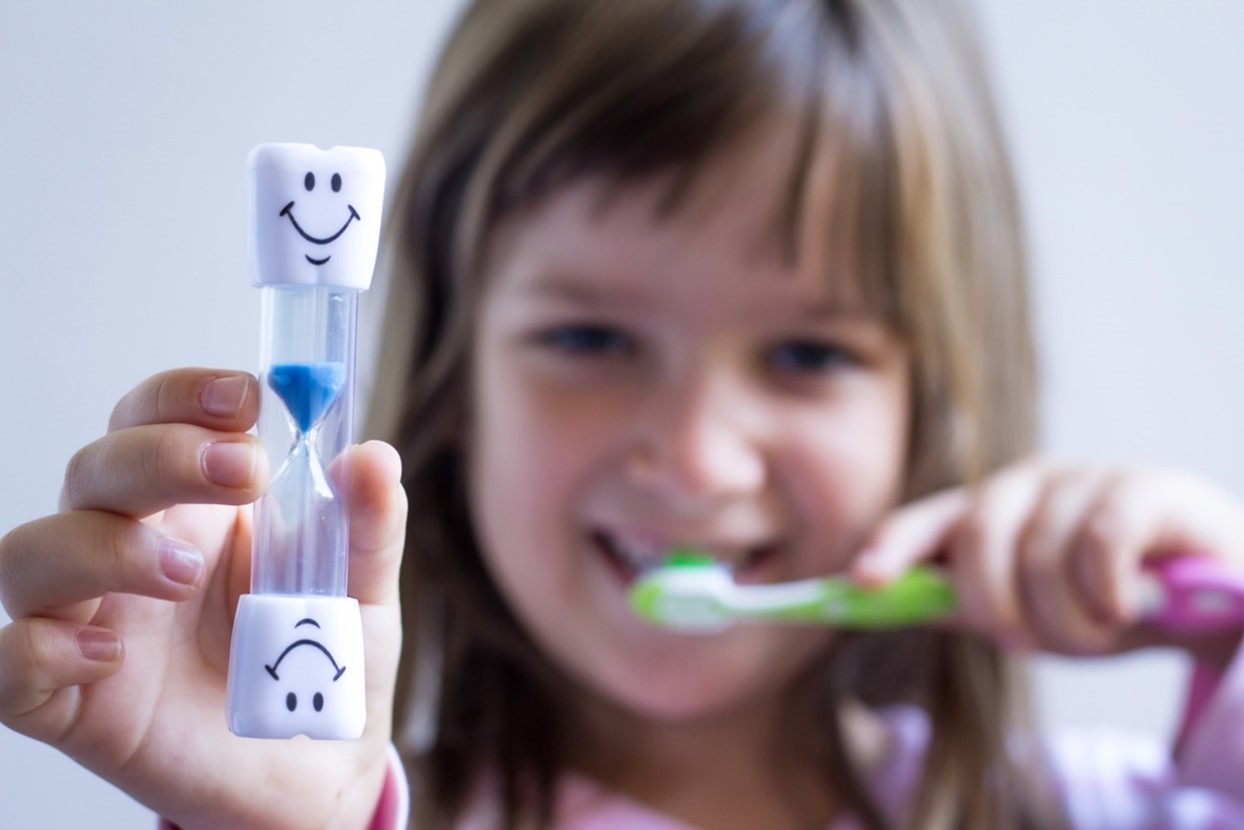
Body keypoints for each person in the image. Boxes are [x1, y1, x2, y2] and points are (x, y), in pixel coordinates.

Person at [3, 1, 1244, 827]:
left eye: (808, 351)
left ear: (931, 409)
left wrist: (1228, 627)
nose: (695, 459)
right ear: (450, 388)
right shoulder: (339, 807)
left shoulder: (1091, 806)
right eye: (589, 338)